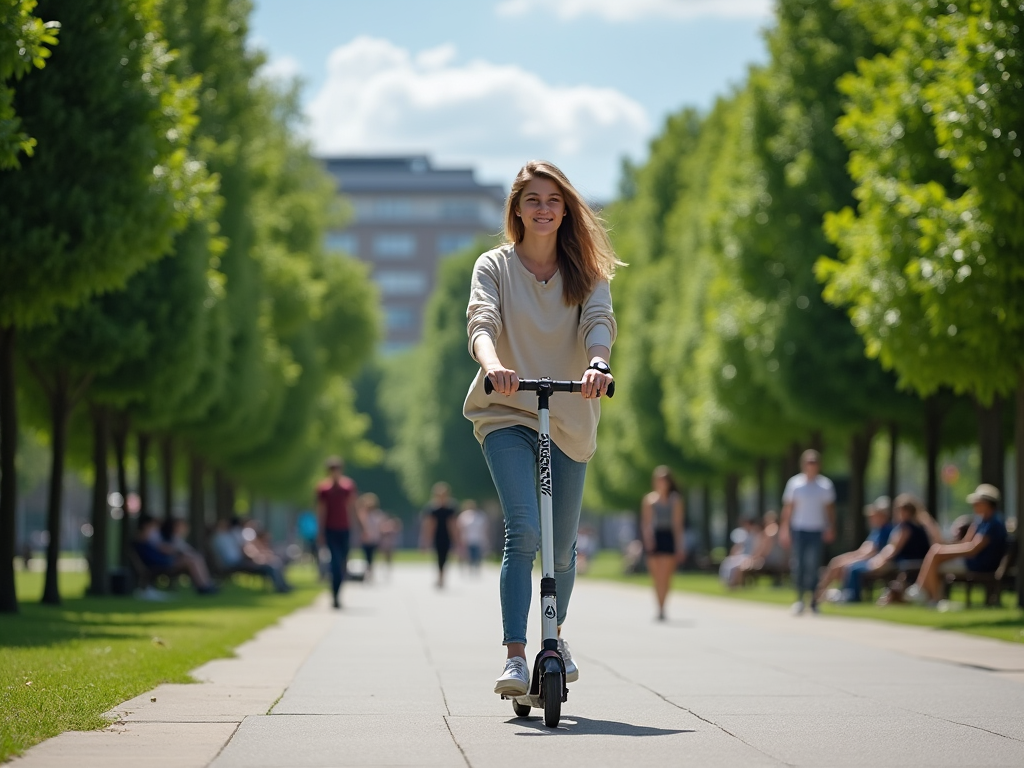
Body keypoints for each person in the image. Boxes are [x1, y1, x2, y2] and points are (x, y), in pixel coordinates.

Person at [463, 160, 618, 697]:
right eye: (533, 200)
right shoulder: (495, 266)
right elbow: (482, 321)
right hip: (508, 410)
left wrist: (596, 365)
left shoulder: (587, 271)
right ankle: (514, 656)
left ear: (566, 207)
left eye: (554, 199)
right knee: (524, 530)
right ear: (517, 210)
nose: (544, 208)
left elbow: (599, 322)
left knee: (562, 549)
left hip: (569, 415)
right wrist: (492, 366)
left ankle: (554, 638)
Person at [906, 484, 1008, 606]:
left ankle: (931, 597)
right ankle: (926, 594)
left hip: (980, 564)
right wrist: (943, 550)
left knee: (936, 556)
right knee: (936, 554)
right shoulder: (981, 521)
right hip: (971, 561)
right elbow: (966, 542)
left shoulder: (994, 523)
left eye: (977, 502)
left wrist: (943, 552)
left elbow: (973, 549)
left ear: (987, 503)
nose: (974, 506)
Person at [780, 449, 836, 615]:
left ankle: (813, 600)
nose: (811, 465)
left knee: (813, 565)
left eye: (814, 462)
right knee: (799, 565)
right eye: (808, 462)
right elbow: (788, 509)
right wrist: (784, 528)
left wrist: (831, 527)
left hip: (817, 529)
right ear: (803, 464)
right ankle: (799, 599)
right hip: (799, 529)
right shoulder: (795, 484)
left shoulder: (825, 485)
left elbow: (830, 510)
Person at [814, 497, 892, 604]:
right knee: (836, 562)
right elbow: (862, 551)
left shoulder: (886, 530)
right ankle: (822, 593)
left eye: (874, 515)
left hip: (874, 562)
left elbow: (871, 552)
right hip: (864, 558)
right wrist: (848, 557)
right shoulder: (876, 531)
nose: (871, 518)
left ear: (883, 515)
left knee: (845, 566)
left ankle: (837, 594)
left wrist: (851, 559)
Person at [641, 466, 686, 619]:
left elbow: (677, 524)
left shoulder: (675, 500)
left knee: (666, 576)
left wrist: (680, 546)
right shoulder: (649, 500)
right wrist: (648, 540)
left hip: (669, 537)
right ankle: (658, 606)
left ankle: (663, 607)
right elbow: (646, 523)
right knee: (656, 576)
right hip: (655, 536)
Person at [135, 515, 217, 594]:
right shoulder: (144, 539)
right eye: (153, 525)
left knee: (195, 558)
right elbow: (163, 549)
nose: (155, 528)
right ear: (146, 525)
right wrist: (176, 551)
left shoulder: (151, 538)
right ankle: (203, 586)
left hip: (164, 561)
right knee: (192, 560)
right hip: (160, 563)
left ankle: (206, 584)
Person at [316, 456, 357, 609]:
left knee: (343, 564)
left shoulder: (348, 487)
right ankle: (334, 595)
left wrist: (361, 528)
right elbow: (321, 510)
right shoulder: (323, 489)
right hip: (330, 529)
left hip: (344, 529)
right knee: (334, 562)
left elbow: (352, 508)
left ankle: (338, 592)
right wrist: (320, 532)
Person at [420, 482, 460, 588]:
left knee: (445, 556)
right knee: (439, 556)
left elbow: (453, 525)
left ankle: (442, 577)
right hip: (437, 535)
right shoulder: (432, 509)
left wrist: (456, 540)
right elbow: (429, 525)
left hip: (447, 536)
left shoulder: (451, 508)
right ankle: (440, 577)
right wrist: (426, 540)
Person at [719, 518, 762, 589]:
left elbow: (757, 550)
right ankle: (727, 582)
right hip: (742, 556)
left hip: (750, 558)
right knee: (727, 563)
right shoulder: (744, 535)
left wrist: (752, 559)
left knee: (738, 566)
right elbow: (738, 547)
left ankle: (735, 584)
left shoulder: (757, 536)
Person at [358, 493, 385, 580]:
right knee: (366, 556)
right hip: (366, 539)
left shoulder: (377, 514)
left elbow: (380, 527)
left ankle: (370, 570)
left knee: (371, 556)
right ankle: (368, 570)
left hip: (374, 539)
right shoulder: (363, 514)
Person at [458, 499, 488, 574]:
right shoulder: (464, 516)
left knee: (477, 555)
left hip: (478, 538)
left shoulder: (480, 516)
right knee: (468, 555)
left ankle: (476, 568)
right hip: (467, 539)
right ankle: (470, 568)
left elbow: (484, 528)